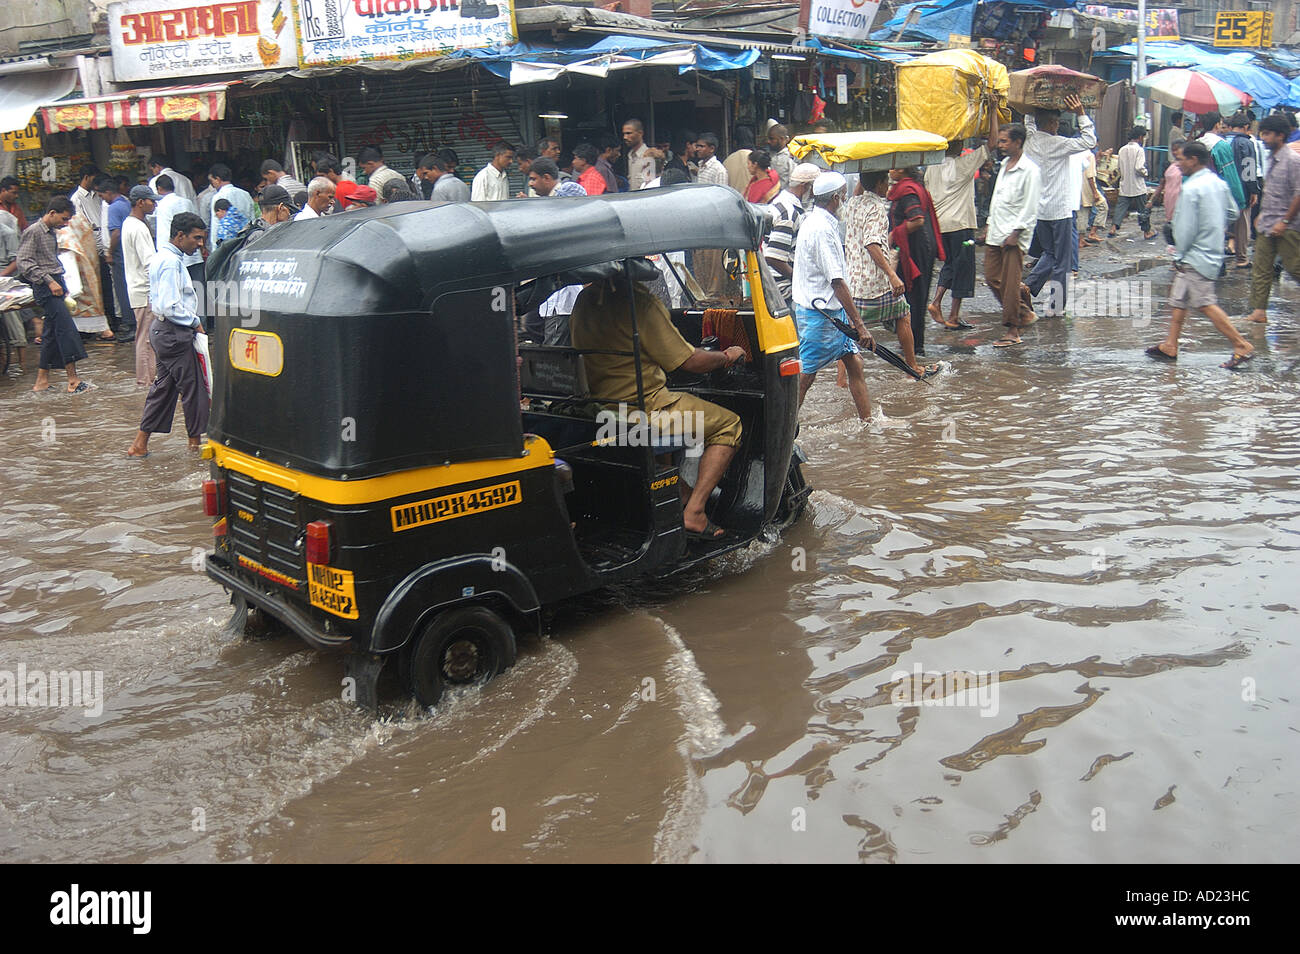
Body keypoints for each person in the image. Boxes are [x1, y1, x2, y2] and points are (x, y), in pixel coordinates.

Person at [569, 270, 746, 539]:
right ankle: (695, 512)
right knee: (729, 425)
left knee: (674, 405)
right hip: (644, 412)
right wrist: (727, 356)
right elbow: (690, 362)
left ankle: (679, 492)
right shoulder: (639, 302)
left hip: (600, 408)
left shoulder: (584, 299)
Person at [1144, 141, 1252, 369]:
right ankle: (1170, 344)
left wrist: (1180, 255)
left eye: (1181, 159)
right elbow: (1232, 211)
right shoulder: (1218, 183)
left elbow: (1184, 229)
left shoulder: (1192, 188)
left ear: (1193, 160)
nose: (1178, 164)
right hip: (1211, 248)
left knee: (1205, 303)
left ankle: (1241, 344)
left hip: (1195, 254)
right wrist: (1214, 224)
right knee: (1179, 299)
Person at [791, 171, 874, 420]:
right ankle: (782, 430)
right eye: (845, 197)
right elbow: (837, 281)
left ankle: (867, 422)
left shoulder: (818, 221)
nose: (845, 202)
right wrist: (860, 325)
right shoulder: (821, 230)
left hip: (830, 312)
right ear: (836, 198)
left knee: (855, 363)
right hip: (821, 315)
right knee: (805, 376)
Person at [127, 212, 211, 458]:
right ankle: (195, 447)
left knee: (163, 389)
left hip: (163, 332)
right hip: (174, 333)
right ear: (180, 235)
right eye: (196, 238)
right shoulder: (170, 261)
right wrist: (195, 323)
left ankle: (140, 444)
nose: (199, 244)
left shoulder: (162, 257)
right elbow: (168, 306)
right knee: (194, 388)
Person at [845, 169, 932, 379]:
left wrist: (864, 173)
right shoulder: (876, 208)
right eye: (886, 182)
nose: (889, 187)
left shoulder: (852, 203)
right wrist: (892, 276)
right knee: (903, 314)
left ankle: (842, 380)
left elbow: (860, 190)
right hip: (875, 283)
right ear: (879, 184)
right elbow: (872, 243)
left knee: (849, 332)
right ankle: (912, 368)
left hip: (853, 283)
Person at [928, 93, 999, 331]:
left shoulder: (932, 166)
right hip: (960, 225)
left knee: (951, 265)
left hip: (940, 226)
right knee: (963, 269)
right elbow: (992, 144)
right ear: (958, 145)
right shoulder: (963, 165)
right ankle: (941, 306)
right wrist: (994, 110)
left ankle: (949, 312)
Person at [1024, 95, 1096, 316]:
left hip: (1041, 210)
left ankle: (1028, 286)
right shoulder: (1059, 144)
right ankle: (1055, 307)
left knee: (1050, 253)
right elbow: (1089, 142)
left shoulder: (1030, 141)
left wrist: (1030, 104)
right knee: (1063, 261)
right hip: (1060, 211)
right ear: (1053, 123)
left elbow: (1028, 123)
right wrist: (1081, 113)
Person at [17, 197, 86, 393]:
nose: (65, 224)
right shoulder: (33, 232)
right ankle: (73, 380)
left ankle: (41, 381)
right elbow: (25, 262)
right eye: (64, 219)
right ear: (52, 213)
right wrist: (49, 281)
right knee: (65, 330)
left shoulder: (50, 233)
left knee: (51, 334)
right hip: (45, 287)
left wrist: (60, 284)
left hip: (55, 283)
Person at [984, 123, 1042, 347]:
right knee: (991, 277)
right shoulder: (1005, 165)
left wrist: (1016, 232)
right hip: (996, 231)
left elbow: (1030, 206)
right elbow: (996, 200)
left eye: (1004, 141)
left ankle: (1013, 330)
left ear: (1018, 142)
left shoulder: (1030, 170)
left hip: (1013, 236)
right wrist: (989, 224)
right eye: (1000, 141)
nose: (1000, 145)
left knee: (1010, 284)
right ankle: (1024, 312)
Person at [1241, 114, 1300, 326]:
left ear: (1280, 135)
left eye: (1267, 134)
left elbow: (1298, 194)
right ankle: (1259, 311)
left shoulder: (1293, 160)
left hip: (1288, 226)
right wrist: (1262, 217)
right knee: (1261, 269)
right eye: (1263, 133)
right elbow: (1270, 191)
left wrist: (1284, 222)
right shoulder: (1269, 159)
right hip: (1267, 223)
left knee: (1294, 267)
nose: (1263, 137)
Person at [69, 164, 115, 341]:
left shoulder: (99, 196)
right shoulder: (77, 199)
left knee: (106, 284)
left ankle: (109, 317)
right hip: (90, 243)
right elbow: (80, 225)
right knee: (95, 284)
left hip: (102, 239)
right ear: (86, 177)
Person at [764, 162, 820, 301]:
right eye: (814, 189)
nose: (814, 195)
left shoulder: (783, 204)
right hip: (783, 290)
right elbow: (773, 257)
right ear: (805, 186)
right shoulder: (788, 213)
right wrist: (798, 279)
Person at [122, 186, 160, 385]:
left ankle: (146, 379)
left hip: (138, 289)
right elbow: (149, 263)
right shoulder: (137, 227)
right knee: (146, 339)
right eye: (151, 201)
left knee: (145, 336)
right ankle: (146, 381)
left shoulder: (130, 224)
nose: (154, 204)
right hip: (144, 290)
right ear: (140, 202)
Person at [95, 176, 135, 342]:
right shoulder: (126, 203)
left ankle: (130, 324)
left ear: (109, 192)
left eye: (102, 195)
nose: (102, 199)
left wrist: (109, 252)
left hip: (119, 255)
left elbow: (116, 232)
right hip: (129, 254)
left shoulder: (113, 208)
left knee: (122, 290)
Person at [1108, 126, 1154, 239]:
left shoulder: (1122, 149)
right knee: (1143, 209)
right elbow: (1139, 167)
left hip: (1125, 184)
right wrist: (1145, 173)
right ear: (1140, 137)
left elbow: (1119, 167)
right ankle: (1147, 232)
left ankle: (1113, 228)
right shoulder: (1139, 150)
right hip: (1138, 185)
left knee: (1121, 207)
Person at [1226, 112, 1259, 269]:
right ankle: (1242, 258)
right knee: (1243, 224)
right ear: (1246, 127)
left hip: (1224, 190)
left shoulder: (1224, 140)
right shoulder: (1246, 143)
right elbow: (1249, 169)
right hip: (1242, 190)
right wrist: (1254, 190)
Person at [206, 164, 254, 250]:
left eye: (212, 181)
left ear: (217, 179)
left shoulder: (218, 197)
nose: (212, 184)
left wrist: (214, 250)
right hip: (245, 243)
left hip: (227, 247)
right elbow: (252, 220)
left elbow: (216, 225)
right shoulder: (245, 194)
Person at [622, 119, 661, 192]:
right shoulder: (630, 155)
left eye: (629, 133)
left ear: (640, 133)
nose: (625, 137)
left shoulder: (649, 155)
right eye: (624, 134)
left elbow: (650, 185)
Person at [1080, 147, 1108, 244]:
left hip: (1078, 187)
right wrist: (1095, 192)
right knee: (1103, 207)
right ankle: (1092, 232)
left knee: (1082, 213)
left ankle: (1081, 239)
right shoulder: (1089, 155)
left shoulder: (1076, 154)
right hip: (1088, 187)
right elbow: (1090, 176)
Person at [1154, 140, 1184, 225]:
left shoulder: (1186, 167)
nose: (1174, 152)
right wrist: (1151, 201)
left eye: (1177, 149)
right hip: (1169, 201)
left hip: (1180, 203)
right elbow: (1162, 183)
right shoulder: (1171, 166)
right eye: (1173, 150)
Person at [723, 127, 757, 191]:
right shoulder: (758, 159)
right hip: (753, 200)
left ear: (735, 142)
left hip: (733, 199)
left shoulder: (727, 161)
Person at [767, 124, 794, 191]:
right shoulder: (771, 155)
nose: (768, 141)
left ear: (782, 139)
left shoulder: (790, 157)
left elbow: (793, 181)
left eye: (772, 139)